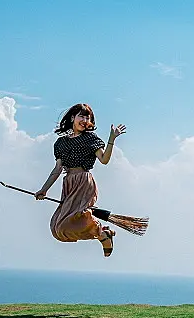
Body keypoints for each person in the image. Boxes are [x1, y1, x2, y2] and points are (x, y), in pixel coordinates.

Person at [35, 103, 126, 257]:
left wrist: (112, 139)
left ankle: (101, 233)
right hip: (69, 184)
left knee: (72, 221)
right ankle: (104, 233)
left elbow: (104, 160)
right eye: (81, 116)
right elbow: (57, 169)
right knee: (58, 228)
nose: (85, 120)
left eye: (87, 117)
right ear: (73, 118)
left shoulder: (90, 138)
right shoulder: (61, 143)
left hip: (84, 182)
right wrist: (44, 189)